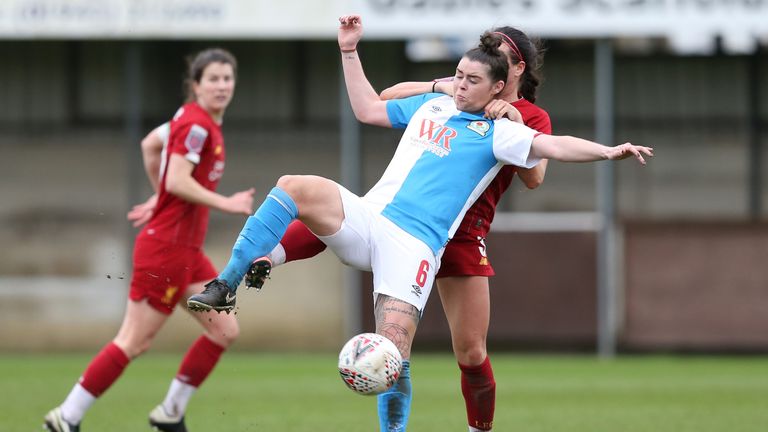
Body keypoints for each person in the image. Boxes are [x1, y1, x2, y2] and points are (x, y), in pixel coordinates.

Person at [187, 14, 651, 432]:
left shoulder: (510, 126)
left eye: (478, 74)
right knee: (296, 186)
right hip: (373, 218)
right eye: (461, 73)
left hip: (429, 242)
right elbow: (372, 106)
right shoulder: (438, 102)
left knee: (408, 352)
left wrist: (607, 150)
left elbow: (549, 156)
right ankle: (228, 282)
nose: (463, 81)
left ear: (510, 76)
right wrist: (352, 52)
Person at [244, 25, 551, 432]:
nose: (483, 58)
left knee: (472, 352)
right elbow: (383, 100)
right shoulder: (461, 88)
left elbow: (535, 178)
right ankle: (270, 255)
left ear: (516, 68)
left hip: (460, 236)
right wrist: (440, 85)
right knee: (335, 218)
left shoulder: (531, 115)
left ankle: (480, 429)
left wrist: (513, 121)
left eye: (495, 53)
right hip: (408, 217)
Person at [44, 48, 255, 432]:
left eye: (228, 78)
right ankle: (66, 417)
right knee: (133, 342)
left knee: (225, 330)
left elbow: (150, 145)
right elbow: (176, 178)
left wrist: (161, 195)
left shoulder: (188, 119)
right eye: (213, 79)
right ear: (196, 85)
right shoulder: (197, 126)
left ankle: (169, 413)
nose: (222, 86)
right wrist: (225, 201)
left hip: (186, 251)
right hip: (166, 250)